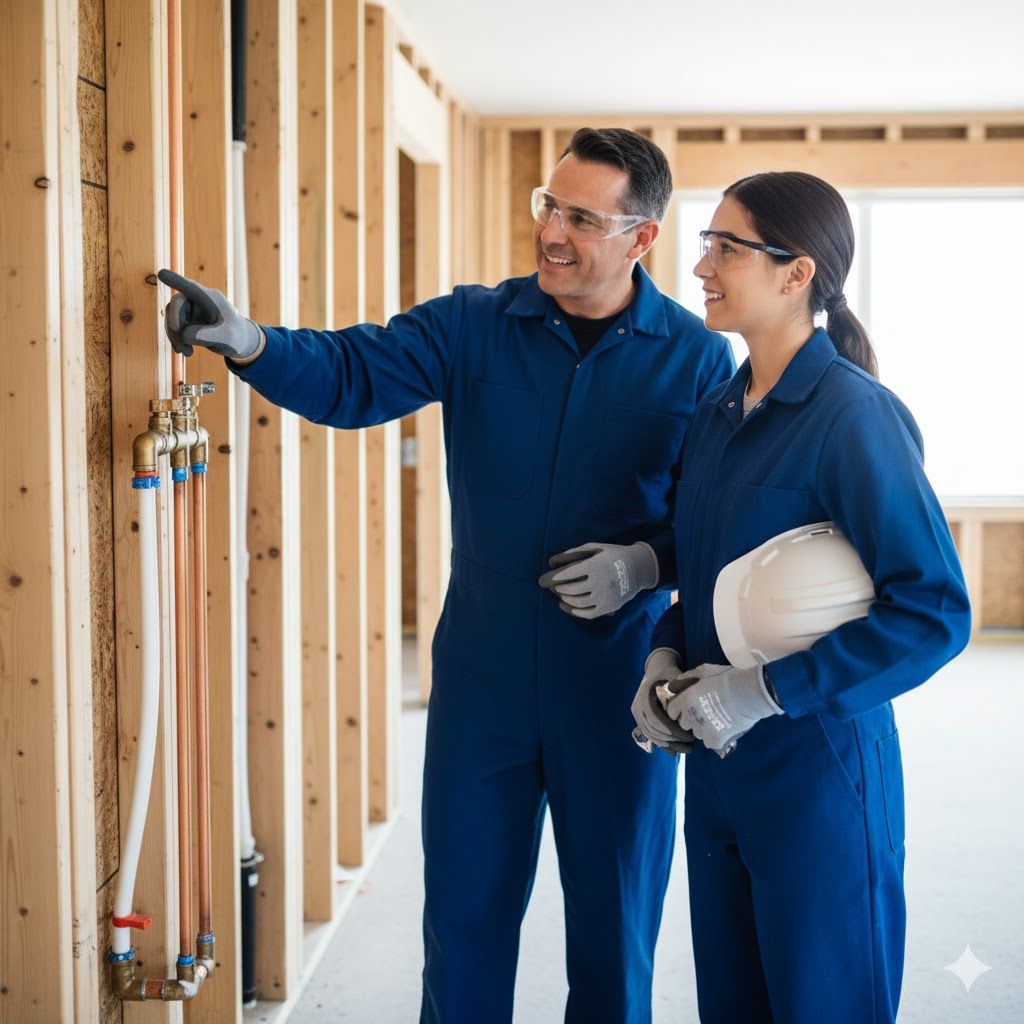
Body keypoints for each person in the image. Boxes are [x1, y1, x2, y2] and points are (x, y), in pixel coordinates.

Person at [159, 128, 735, 1024]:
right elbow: (353, 373)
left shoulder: (697, 361)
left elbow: (714, 519)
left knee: (616, 933)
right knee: (463, 928)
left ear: (641, 238)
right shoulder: (475, 323)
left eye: (581, 217)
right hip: (482, 683)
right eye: (549, 205)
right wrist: (252, 342)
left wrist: (647, 564)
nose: (551, 230)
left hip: (616, 689)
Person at [631, 171, 971, 1024]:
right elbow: (705, 575)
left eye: (727, 247)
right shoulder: (716, 413)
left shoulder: (854, 418)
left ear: (797, 273)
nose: (702, 266)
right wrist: (665, 654)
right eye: (704, 244)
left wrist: (767, 691)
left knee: (825, 1005)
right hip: (718, 767)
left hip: (819, 769)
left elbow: (933, 613)